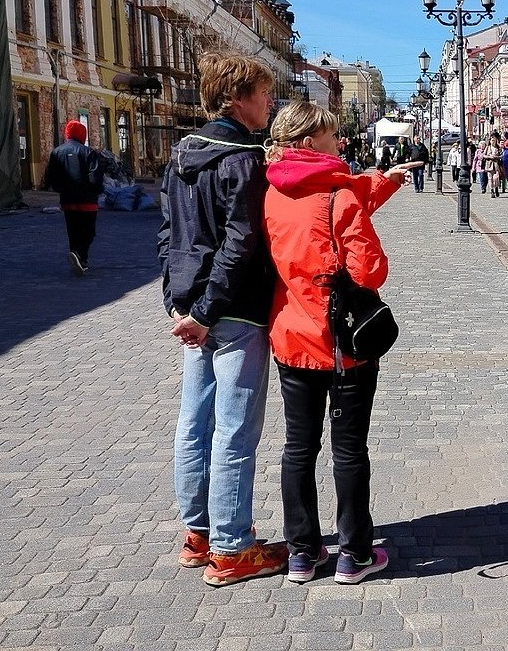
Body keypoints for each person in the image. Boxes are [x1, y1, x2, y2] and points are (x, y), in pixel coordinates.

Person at [262, 102, 412, 586]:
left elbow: (336, 202)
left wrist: (382, 182)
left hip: (290, 338)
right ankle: (354, 554)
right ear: (310, 144)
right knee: (349, 452)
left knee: (298, 449)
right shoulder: (339, 197)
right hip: (343, 346)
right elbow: (371, 271)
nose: (339, 142)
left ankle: (303, 555)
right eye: (330, 136)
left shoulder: (270, 193)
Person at [157, 51, 287, 587]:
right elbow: (241, 243)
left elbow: (169, 233)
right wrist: (207, 310)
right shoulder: (243, 160)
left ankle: (199, 533)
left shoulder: (183, 153)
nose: (270, 103)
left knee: (195, 424)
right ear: (238, 98)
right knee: (233, 429)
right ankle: (233, 548)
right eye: (263, 94)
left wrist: (179, 302)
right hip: (233, 311)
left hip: (193, 308)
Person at [45, 120, 105, 276]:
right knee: (88, 231)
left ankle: (78, 257)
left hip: (67, 199)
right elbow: (95, 177)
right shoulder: (88, 152)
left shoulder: (56, 152)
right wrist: (97, 191)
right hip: (87, 200)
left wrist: (61, 190)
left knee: (73, 230)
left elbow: (50, 177)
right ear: (82, 134)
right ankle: (80, 255)